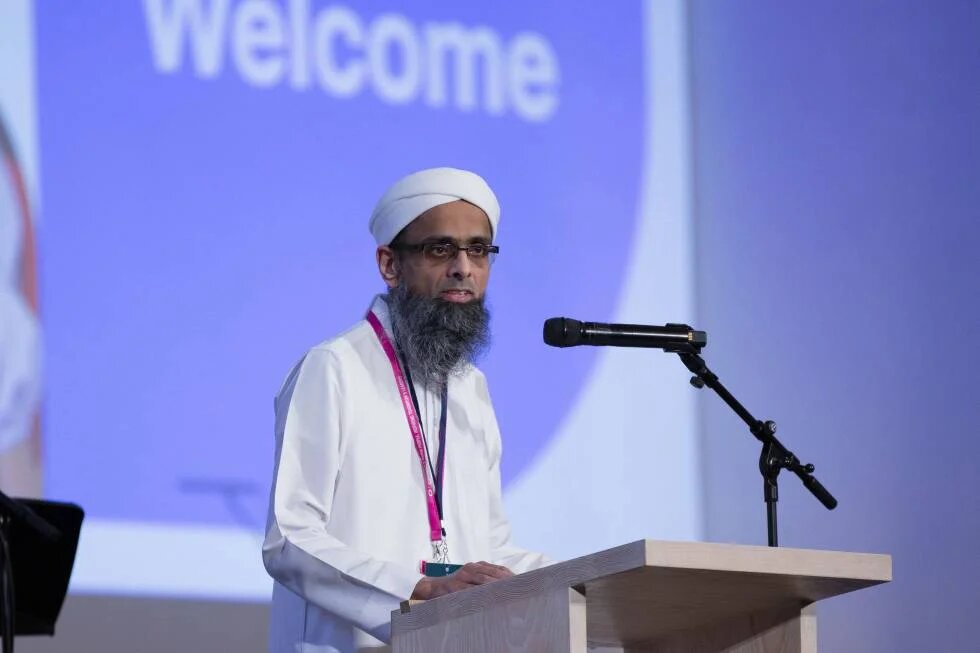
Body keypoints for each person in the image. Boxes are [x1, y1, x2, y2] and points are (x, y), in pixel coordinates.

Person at [262, 167, 550, 653]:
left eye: (478, 250)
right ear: (389, 264)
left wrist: (600, 578)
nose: (463, 267)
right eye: (441, 249)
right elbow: (290, 538)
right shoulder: (334, 367)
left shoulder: (471, 389)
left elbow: (490, 546)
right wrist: (418, 588)